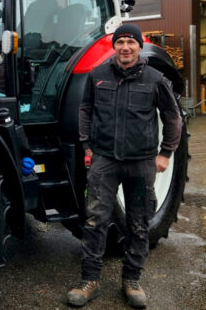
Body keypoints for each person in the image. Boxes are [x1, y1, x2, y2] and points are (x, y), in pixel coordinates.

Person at [68, 24, 182, 309]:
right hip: (105, 160)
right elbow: (85, 109)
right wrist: (87, 146)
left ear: (139, 46)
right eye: (121, 42)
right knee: (94, 220)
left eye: (131, 42)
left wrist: (165, 153)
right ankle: (89, 280)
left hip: (141, 163)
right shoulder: (97, 76)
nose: (126, 47)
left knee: (139, 223)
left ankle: (132, 280)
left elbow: (173, 116)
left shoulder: (155, 79)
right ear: (114, 46)